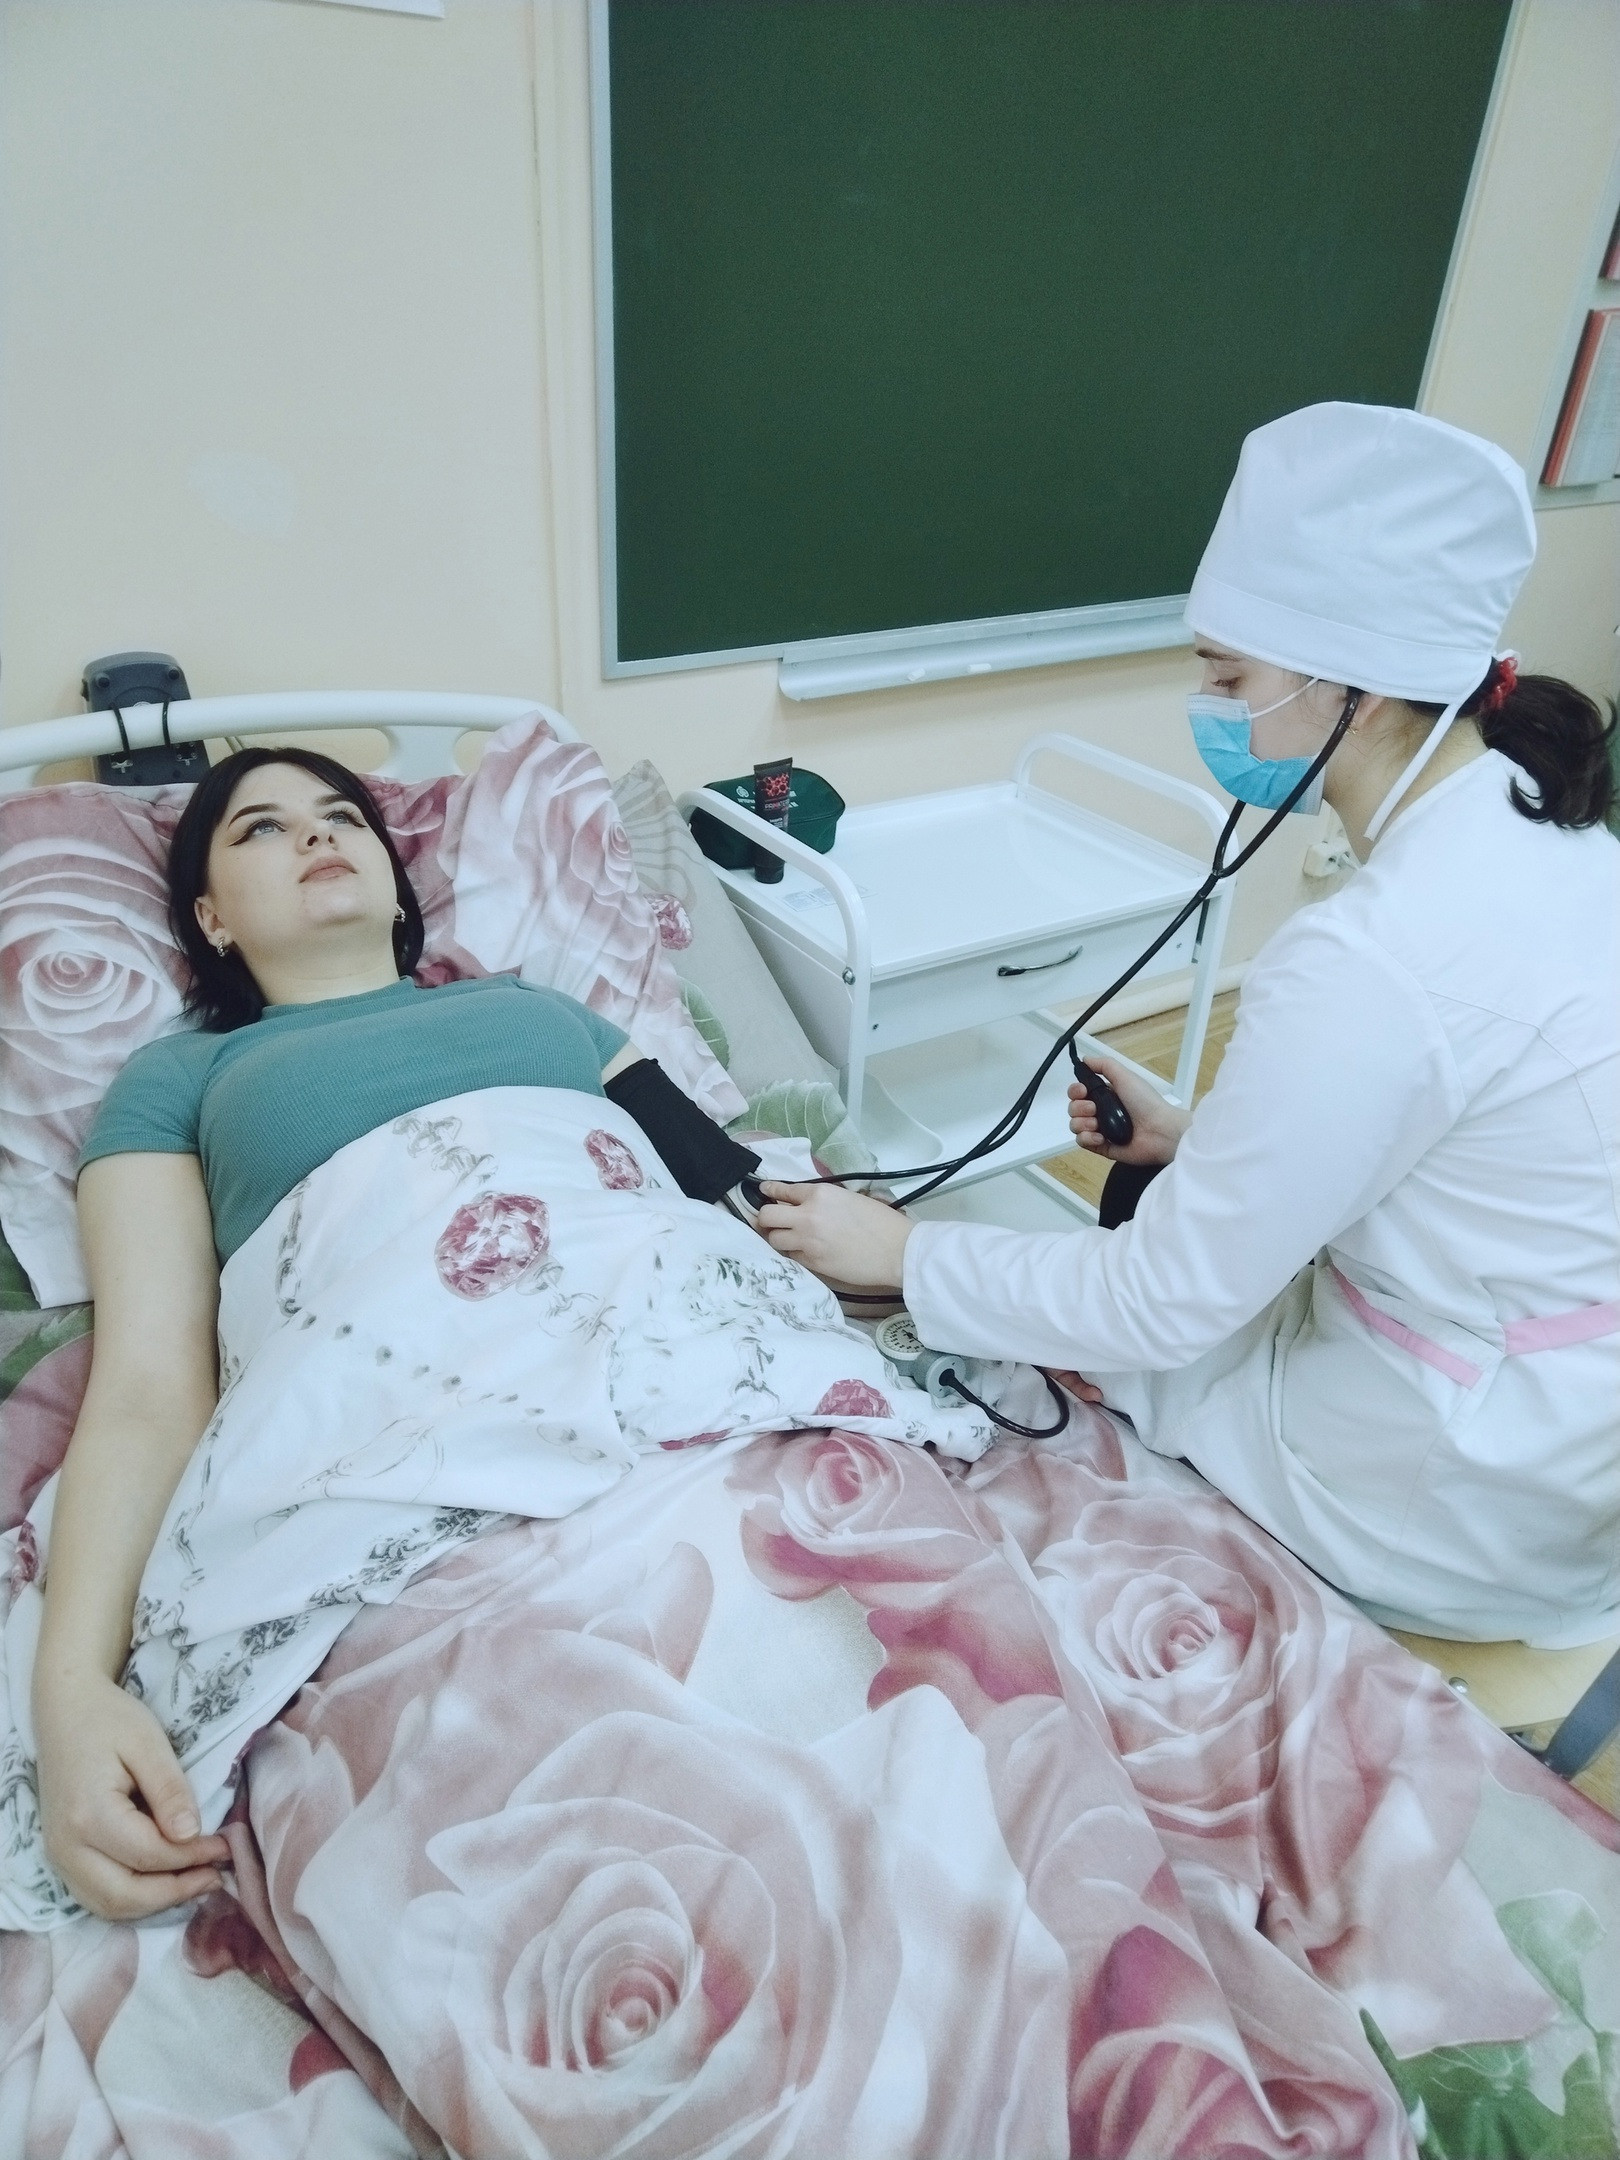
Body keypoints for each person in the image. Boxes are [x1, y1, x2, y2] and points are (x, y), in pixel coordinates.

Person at [758, 402, 1620, 1650]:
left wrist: (902, 1254)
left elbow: (1160, 1305)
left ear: (1356, 687)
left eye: (1228, 678)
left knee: (1081, 1355)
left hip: (1453, 1492)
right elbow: (1453, 1132)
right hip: (1564, 1434)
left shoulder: (1372, 953)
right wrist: (1204, 1140)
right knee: (1116, 1264)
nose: (1207, 707)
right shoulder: (1549, 839)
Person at [34, 746, 758, 1921]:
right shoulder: (182, 1078)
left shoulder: (542, 1012)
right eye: (262, 829)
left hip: (677, 1354)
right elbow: (151, 1381)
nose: (319, 835)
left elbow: (723, 1188)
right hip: (396, 1420)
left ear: (391, 875)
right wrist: (71, 1691)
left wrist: (879, 1263)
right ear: (212, 919)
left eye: (342, 817)